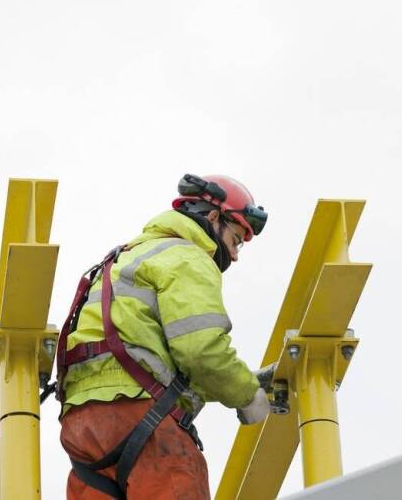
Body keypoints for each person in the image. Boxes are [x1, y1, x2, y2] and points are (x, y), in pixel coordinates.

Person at [54, 173, 274, 499]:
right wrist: (247, 396)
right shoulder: (188, 256)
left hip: (84, 424)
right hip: (140, 415)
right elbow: (200, 350)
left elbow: (148, 357)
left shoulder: (126, 256)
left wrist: (243, 380)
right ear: (214, 217)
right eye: (237, 238)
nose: (236, 253)